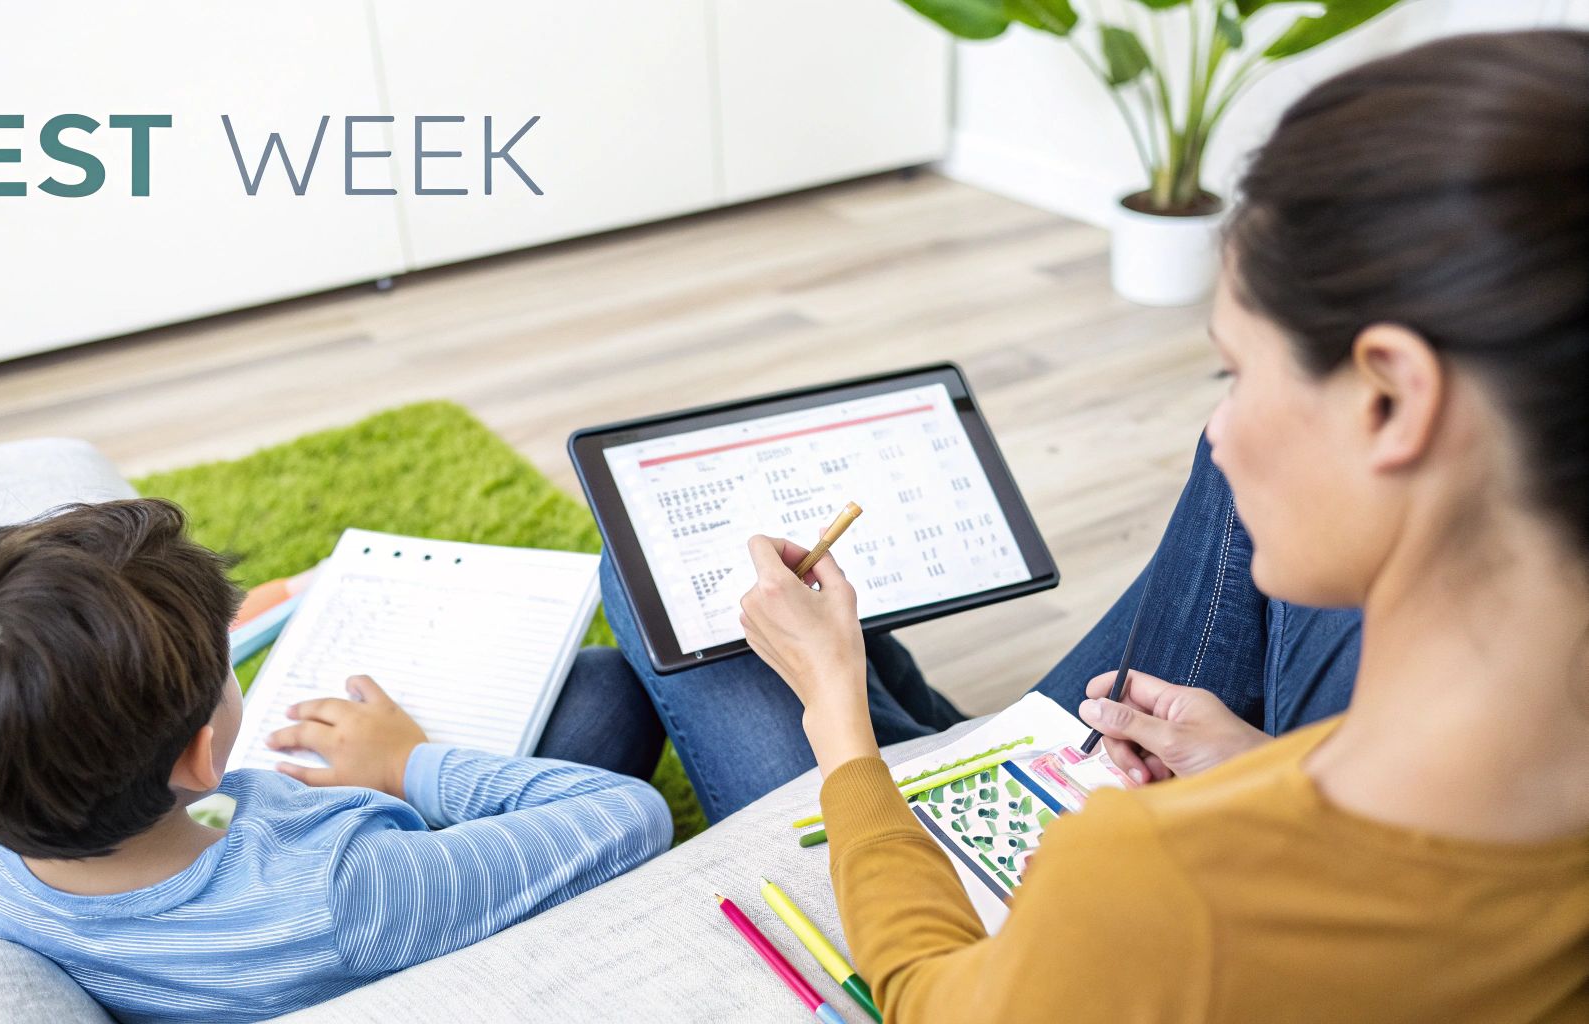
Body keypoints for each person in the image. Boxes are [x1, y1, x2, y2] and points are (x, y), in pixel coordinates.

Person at [666, 30, 1589, 1021]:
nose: (1219, 426)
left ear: (1388, 400)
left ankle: (895, 725)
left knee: (651, 606)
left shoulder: (1153, 882)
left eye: (1232, 373)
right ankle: (931, 731)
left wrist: (838, 725)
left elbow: (930, 1001)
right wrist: (1254, 762)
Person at [0, 499, 671, 1024]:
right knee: (604, 694)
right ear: (202, 756)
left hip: (231, 923)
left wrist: (304, 591)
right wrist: (405, 764)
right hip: (383, 905)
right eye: (226, 665)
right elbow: (628, 817)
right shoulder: (345, 892)